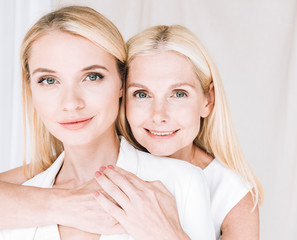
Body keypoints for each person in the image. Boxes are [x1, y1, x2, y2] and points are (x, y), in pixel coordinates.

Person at [0, 6, 215, 240]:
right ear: (30, 88)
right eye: (49, 80)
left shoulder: (181, 182)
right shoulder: (20, 204)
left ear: (121, 83)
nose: (71, 103)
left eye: (92, 77)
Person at [94, 25, 264, 239]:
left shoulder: (233, 195)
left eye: (179, 94)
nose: (159, 114)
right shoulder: (101, 166)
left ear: (208, 100)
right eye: (141, 94)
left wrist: (166, 233)